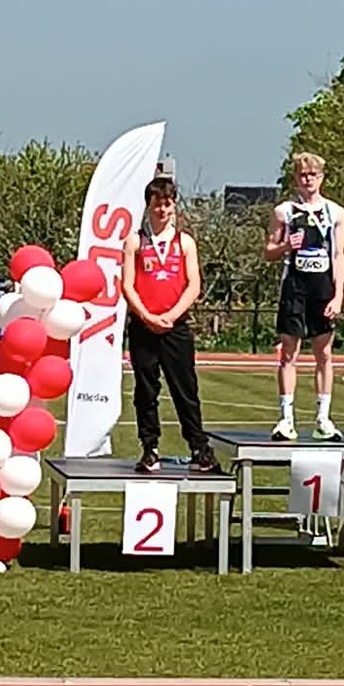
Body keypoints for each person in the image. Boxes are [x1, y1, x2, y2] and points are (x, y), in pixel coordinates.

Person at [121, 173, 224, 477]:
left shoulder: (184, 242)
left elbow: (194, 284)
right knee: (146, 390)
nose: (162, 210)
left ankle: (199, 448)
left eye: (168, 204)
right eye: (157, 204)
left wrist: (172, 315)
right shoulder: (135, 241)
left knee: (185, 389)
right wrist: (147, 316)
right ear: (148, 205)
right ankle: (149, 447)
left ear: (174, 206)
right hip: (143, 326)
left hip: (175, 326)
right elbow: (127, 285)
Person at [265, 151, 344, 441]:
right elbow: (268, 251)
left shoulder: (335, 213)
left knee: (324, 353)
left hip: (322, 290)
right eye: (303, 175)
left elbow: (338, 255)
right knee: (289, 352)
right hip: (295, 288)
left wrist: (338, 295)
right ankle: (286, 419)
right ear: (296, 178)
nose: (308, 179)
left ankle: (323, 418)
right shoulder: (284, 211)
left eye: (313, 174)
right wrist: (286, 245)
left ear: (321, 177)